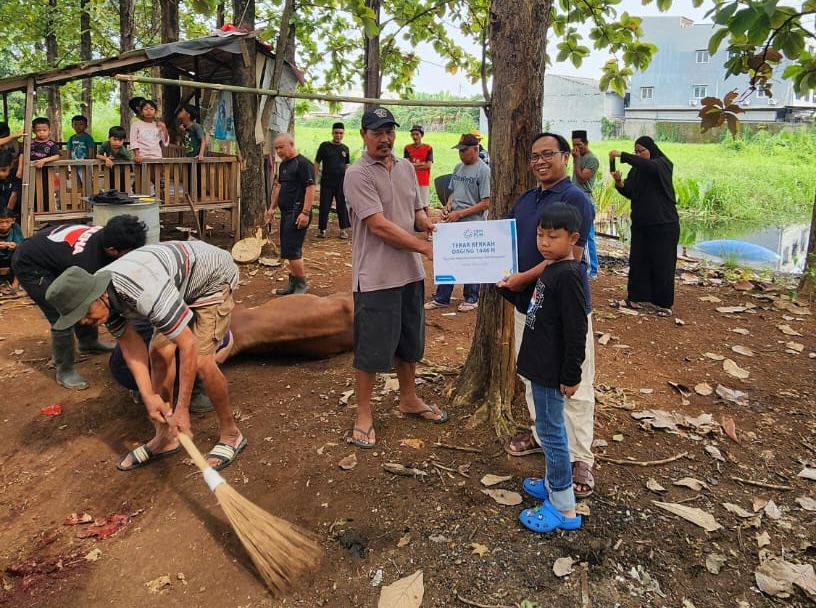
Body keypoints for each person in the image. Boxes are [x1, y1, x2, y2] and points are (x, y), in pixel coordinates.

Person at [45, 240, 246, 473]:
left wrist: (181, 409)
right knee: (158, 353)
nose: (83, 322)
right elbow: (131, 347)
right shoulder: (101, 297)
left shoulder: (142, 291)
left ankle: (231, 434)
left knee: (202, 361)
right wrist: (149, 396)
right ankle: (165, 438)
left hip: (211, 277)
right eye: (77, 316)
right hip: (174, 285)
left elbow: (188, 345)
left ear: (100, 296)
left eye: (84, 313)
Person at [497, 132, 597, 499]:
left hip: (564, 311)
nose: (540, 161)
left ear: (566, 157)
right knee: (534, 376)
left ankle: (580, 457)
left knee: (576, 382)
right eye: (534, 156)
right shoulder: (526, 200)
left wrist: (523, 277)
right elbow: (503, 241)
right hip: (529, 306)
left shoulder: (575, 199)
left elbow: (571, 257)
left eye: (548, 154)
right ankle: (543, 437)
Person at [342, 106, 444, 449]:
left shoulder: (405, 168)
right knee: (371, 349)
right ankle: (364, 412)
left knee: (409, 343)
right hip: (376, 276)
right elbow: (379, 225)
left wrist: (428, 224)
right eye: (377, 133)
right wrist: (424, 247)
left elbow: (415, 211)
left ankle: (408, 398)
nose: (384, 139)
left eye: (389, 131)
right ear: (364, 135)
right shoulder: (357, 174)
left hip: (410, 273)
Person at [12, 216, 148, 389]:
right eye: (130, 252)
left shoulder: (112, 237)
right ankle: (65, 370)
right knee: (63, 311)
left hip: (54, 255)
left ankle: (88, 342)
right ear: (112, 250)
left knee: (88, 302)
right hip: (31, 264)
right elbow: (90, 297)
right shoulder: (88, 261)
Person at [517, 203, 586, 534]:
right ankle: (552, 482)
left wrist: (572, 374)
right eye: (540, 235)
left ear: (572, 238)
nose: (544, 242)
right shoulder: (552, 269)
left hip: (550, 370)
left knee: (551, 433)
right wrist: (506, 289)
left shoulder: (569, 276)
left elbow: (577, 331)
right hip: (539, 364)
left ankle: (563, 505)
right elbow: (536, 307)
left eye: (553, 236)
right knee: (547, 428)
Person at [609, 136, 680, 317]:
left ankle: (664, 303)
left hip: (663, 224)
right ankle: (635, 298)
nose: (639, 155)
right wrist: (619, 182)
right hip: (641, 224)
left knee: (663, 263)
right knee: (638, 262)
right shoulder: (637, 171)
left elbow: (650, 166)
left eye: (642, 151)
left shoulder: (662, 164)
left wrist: (622, 155)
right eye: (636, 152)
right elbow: (630, 192)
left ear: (651, 149)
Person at [424, 133, 490, 312]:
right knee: (448, 258)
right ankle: (442, 297)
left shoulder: (483, 171)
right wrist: (448, 205)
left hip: (473, 223)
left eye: (464, 150)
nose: (461, 154)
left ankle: (471, 298)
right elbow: (453, 191)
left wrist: (460, 213)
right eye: (459, 151)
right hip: (454, 220)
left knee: (470, 261)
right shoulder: (458, 168)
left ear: (475, 149)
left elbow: (486, 203)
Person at [264, 133, 315, 295]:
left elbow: (310, 188)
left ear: (291, 145)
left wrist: (305, 212)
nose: (279, 151)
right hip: (286, 212)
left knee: (293, 250)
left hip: (298, 211)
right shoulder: (284, 165)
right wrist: (272, 208)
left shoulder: (303, 164)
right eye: (276, 148)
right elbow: (279, 187)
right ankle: (293, 283)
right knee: (287, 249)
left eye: (281, 147)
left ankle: (302, 284)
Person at [314, 122, 351, 239]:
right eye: (336, 133)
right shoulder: (324, 146)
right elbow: (317, 162)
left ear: (343, 134)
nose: (338, 135)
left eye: (341, 133)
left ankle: (343, 230)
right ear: (332, 133)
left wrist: (348, 180)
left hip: (341, 182)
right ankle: (322, 230)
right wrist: (314, 180)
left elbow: (346, 165)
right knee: (324, 205)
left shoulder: (345, 149)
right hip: (327, 181)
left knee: (342, 206)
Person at [571, 130, 599, 279]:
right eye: (574, 145)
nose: (576, 148)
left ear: (586, 143)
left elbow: (581, 178)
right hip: (575, 199)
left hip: (585, 201)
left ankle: (592, 269)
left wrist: (576, 159)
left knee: (587, 236)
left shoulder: (591, 159)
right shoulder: (578, 156)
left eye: (579, 145)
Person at [25, 117, 61, 212]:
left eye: (44, 130)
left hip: (46, 173)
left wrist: (44, 160)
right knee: (32, 191)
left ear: (49, 131)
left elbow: (56, 156)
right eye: (38, 130)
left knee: (46, 191)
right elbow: (23, 154)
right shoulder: (30, 143)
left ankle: (46, 210)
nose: (41, 132)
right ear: (33, 131)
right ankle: (33, 210)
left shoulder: (51, 144)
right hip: (31, 172)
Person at [403, 125, 433, 208]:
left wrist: (412, 165)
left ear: (421, 135)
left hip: (423, 180)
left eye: (417, 134)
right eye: (413, 134)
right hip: (411, 180)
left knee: (424, 204)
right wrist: (421, 163)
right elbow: (406, 165)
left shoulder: (428, 148)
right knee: (411, 204)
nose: (415, 137)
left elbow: (428, 166)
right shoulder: (407, 148)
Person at [67, 115, 95, 189]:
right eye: (75, 124)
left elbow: (91, 149)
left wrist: (89, 162)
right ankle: (79, 195)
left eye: (81, 124)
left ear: (86, 126)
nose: (78, 126)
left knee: (87, 182)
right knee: (76, 182)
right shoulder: (71, 138)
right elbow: (69, 150)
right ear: (72, 125)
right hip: (74, 164)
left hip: (84, 164)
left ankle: (89, 194)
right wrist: (69, 162)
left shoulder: (88, 137)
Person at [0, 207, 24, 296]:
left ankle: (15, 286)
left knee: (19, 255)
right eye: (1, 222)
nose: (4, 225)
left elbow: (21, 245)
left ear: (13, 221)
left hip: (10, 256)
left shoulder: (15, 228)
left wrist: (15, 246)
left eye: (7, 222)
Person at [0, 148, 22, 221]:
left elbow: (14, 195)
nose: (0, 174)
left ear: (11, 165)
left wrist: (6, 216)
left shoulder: (16, 175)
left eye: (4, 170)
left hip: (11, 213)